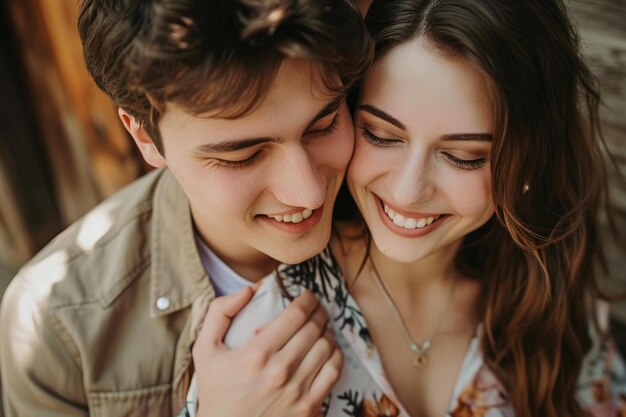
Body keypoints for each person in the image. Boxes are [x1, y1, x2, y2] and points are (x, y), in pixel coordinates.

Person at [184, 0, 626, 416]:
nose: (408, 191)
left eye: (464, 156)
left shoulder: (555, 304)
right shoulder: (262, 343)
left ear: (529, 160)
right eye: (381, 135)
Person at [0, 1, 373, 416]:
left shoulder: (409, 212)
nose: (308, 193)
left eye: (323, 126)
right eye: (242, 156)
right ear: (143, 135)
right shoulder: (59, 329)